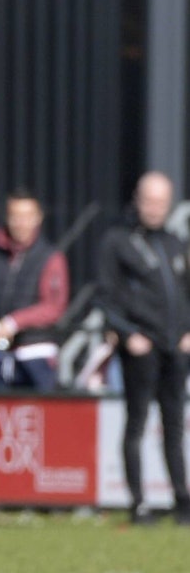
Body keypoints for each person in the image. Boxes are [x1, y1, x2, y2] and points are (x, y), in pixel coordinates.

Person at [97, 171, 190, 525]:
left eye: (161, 202)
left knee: (175, 426)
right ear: (137, 200)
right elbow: (105, 297)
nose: (155, 208)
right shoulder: (118, 241)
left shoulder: (176, 242)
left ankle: (182, 498)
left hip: (175, 348)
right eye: (149, 201)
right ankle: (138, 502)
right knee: (136, 423)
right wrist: (127, 334)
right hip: (141, 347)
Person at [0, 188, 69, 391]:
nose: (21, 223)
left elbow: (53, 307)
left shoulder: (51, 257)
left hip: (36, 355)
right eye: (15, 217)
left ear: (38, 218)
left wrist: (13, 323)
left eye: (26, 217)